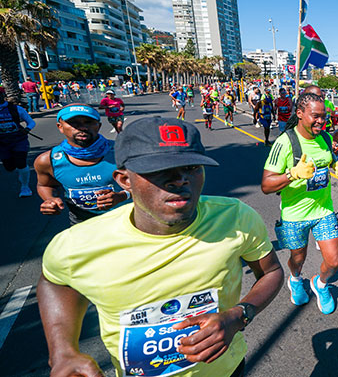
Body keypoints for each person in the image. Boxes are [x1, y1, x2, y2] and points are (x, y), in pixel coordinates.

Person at [37, 117, 284, 377]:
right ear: (124, 180)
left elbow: (270, 271)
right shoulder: (79, 243)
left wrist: (239, 315)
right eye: (158, 169)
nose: (179, 180)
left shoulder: (235, 217)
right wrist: (62, 351)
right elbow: (55, 281)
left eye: (191, 167)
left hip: (227, 370)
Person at [261, 93, 338, 315]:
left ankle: (320, 284)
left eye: (324, 116)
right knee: (298, 259)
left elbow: (326, 161)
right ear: (299, 114)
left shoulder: (325, 137)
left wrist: (335, 167)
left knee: (334, 261)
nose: (321, 121)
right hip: (295, 215)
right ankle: (296, 279)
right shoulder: (285, 142)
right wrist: (293, 174)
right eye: (315, 116)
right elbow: (266, 185)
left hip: (323, 210)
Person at [34, 104, 127, 225]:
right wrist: (50, 199)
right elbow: (45, 185)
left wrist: (122, 196)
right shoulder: (47, 160)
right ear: (60, 127)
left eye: (89, 122)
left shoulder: (123, 150)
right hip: (82, 223)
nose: (82, 127)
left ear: (98, 126)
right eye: (74, 123)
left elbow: (147, 183)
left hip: (125, 220)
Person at [0, 90, 36, 197]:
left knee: (21, 163)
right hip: (2, 143)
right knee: (9, 167)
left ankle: (25, 187)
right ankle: (22, 173)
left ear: (3, 95)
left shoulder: (16, 108)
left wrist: (27, 129)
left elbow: (31, 122)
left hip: (18, 140)